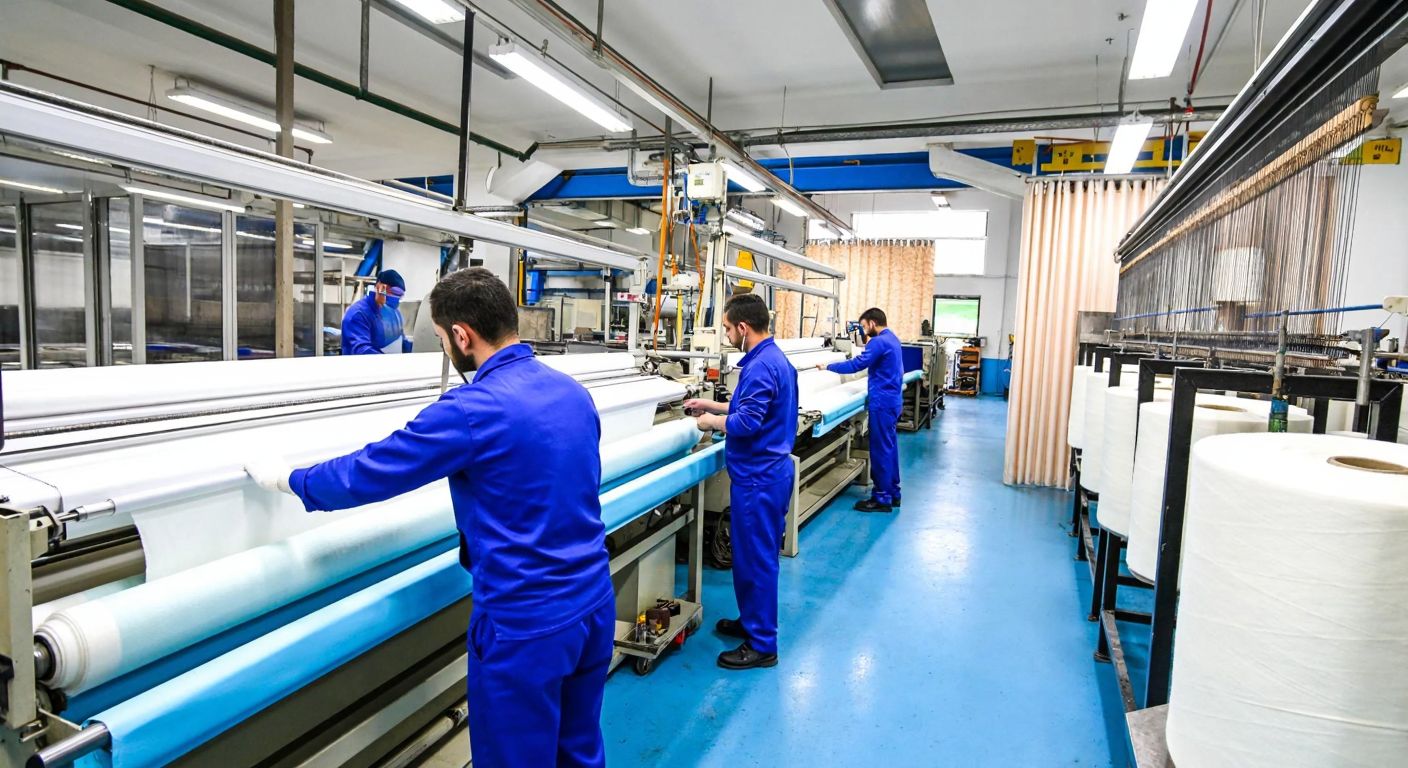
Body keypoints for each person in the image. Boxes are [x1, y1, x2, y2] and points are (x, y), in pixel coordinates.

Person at [246, 268, 614, 768]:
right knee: (578, 749)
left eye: (441, 339)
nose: (444, 348)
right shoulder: (572, 392)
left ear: (462, 335)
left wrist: (290, 480)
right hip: (593, 603)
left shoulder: (470, 410)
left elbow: (371, 471)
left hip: (526, 624)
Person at [684, 293, 798, 670]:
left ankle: (762, 644)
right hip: (765, 475)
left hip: (759, 480)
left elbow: (746, 423)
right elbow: (750, 408)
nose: (727, 335)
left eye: (729, 329)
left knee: (757, 561)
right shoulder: (773, 359)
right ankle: (751, 622)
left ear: (744, 328)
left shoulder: (761, 367)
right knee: (749, 558)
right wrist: (711, 405)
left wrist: (709, 423)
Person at [818, 307, 903, 512]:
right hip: (893, 401)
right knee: (889, 448)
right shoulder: (893, 339)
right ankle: (893, 492)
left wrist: (828, 367)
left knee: (880, 450)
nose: (863, 331)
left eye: (864, 327)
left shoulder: (878, 342)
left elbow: (857, 365)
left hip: (882, 404)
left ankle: (881, 498)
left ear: (872, 323)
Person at [341, 269, 412, 355]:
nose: (396, 298)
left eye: (400, 295)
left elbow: (402, 341)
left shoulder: (395, 314)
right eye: (394, 292)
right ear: (379, 287)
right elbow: (361, 349)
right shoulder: (358, 314)